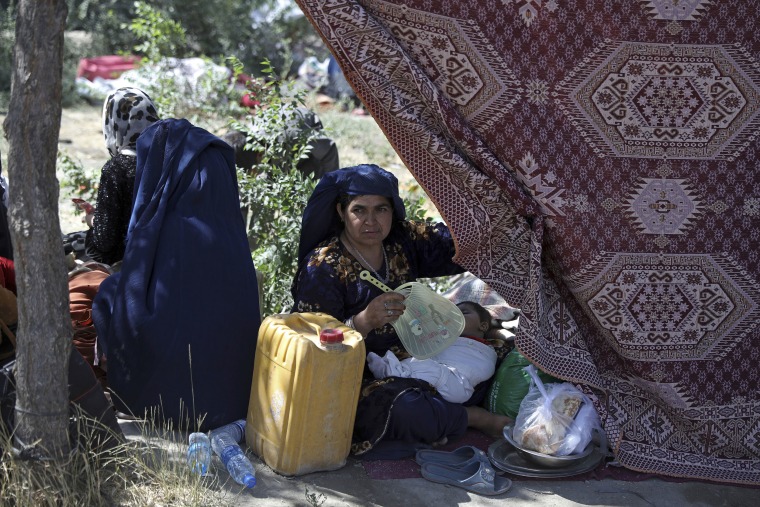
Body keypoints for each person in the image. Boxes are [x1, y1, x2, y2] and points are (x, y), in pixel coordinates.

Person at [291, 164, 511, 459]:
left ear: (393, 211)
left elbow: (457, 244)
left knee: (492, 354)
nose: (371, 221)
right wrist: (362, 322)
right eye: (359, 210)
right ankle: (472, 418)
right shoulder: (323, 268)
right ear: (342, 212)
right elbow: (312, 344)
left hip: (421, 353)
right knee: (404, 408)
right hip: (364, 376)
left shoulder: (400, 240)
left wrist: (503, 215)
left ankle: (439, 419)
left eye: (381, 210)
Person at [92, 116, 261, 432]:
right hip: (235, 399)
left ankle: (129, 390)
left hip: (164, 404)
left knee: (107, 295)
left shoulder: (160, 223)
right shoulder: (230, 225)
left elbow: (133, 292)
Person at [81, 87, 160, 265]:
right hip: (163, 257)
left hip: (127, 263)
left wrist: (93, 219)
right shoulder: (166, 159)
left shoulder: (116, 169)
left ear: (113, 122)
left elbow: (104, 240)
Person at [366, 301, 497, 404]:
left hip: (458, 385)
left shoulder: (484, 351)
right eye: (451, 315)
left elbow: (483, 368)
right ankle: (395, 370)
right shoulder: (444, 338)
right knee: (419, 363)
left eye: (464, 312)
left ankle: (390, 371)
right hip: (436, 377)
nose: (455, 316)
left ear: (483, 326)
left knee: (426, 367)